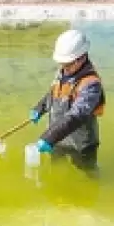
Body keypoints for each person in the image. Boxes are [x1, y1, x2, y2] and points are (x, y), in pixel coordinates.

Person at [29, 29, 106, 177]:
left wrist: (49, 137)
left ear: (81, 58)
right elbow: (53, 93)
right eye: (62, 64)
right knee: (57, 172)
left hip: (81, 143)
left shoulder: (91, 84)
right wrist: (39, 108)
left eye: (68, 64)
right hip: (58, 139)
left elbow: (77, 115)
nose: (64, 68)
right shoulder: (65, 71)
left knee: (88, 174)